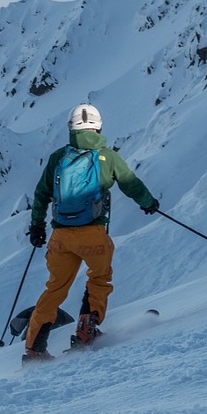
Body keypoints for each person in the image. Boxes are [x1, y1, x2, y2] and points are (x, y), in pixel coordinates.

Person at [23, 103, 159, 362]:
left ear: (71, 128)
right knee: (99, 278)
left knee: (55, 289)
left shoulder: (58, 158)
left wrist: (37, 226)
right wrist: (148, 202)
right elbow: (130, 183)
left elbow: (41, 194)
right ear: (98, 126)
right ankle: (87, 331)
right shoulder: (106, 156)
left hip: (61, 237)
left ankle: (34, 349)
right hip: (92, 235)